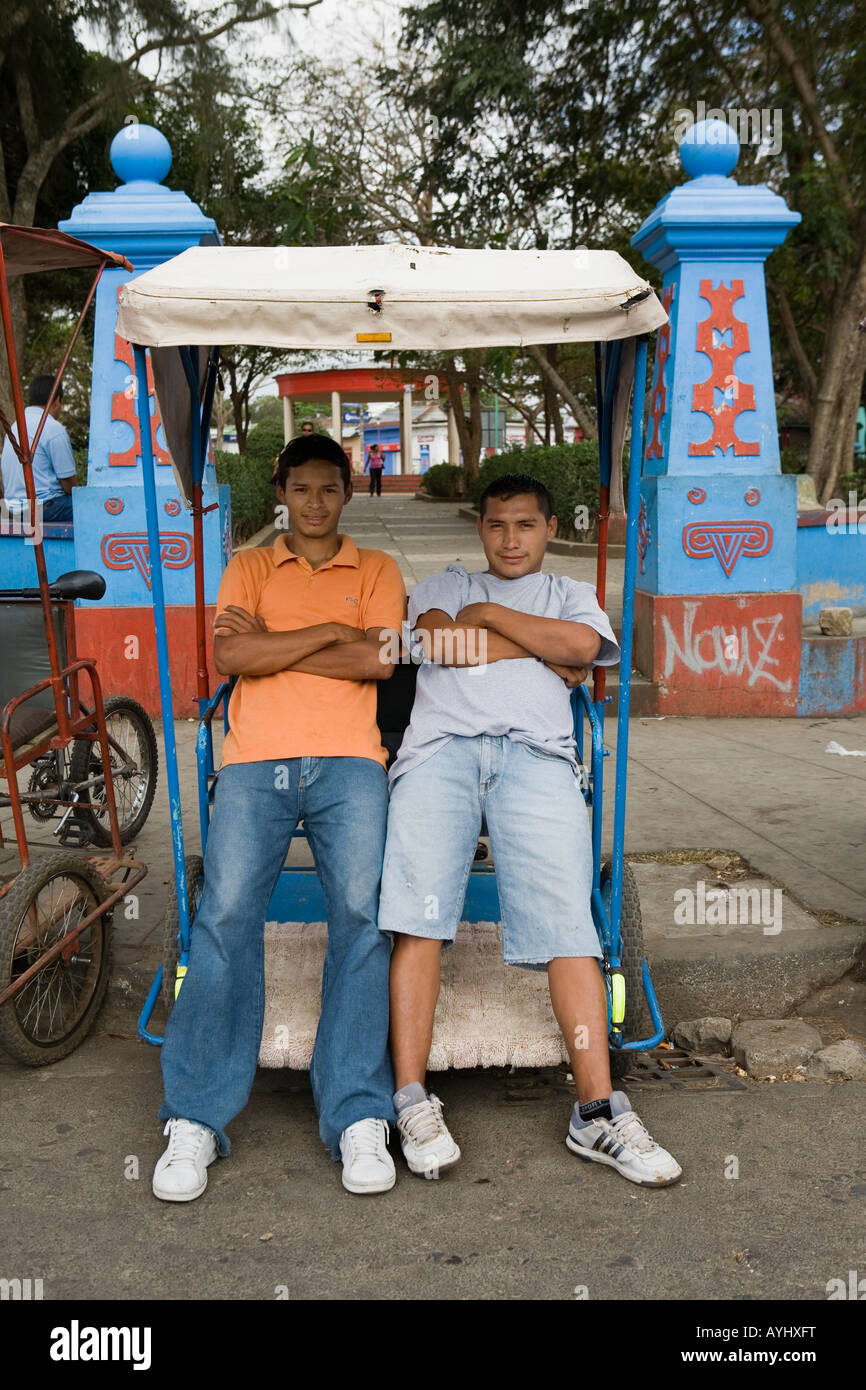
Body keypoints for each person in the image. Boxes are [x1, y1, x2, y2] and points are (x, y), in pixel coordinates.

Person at [378, 473, 682, 1189]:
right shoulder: (445, 583)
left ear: (549, 529)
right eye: (496, 525)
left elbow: (582, 643)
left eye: (524, 525)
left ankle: (598, 1110)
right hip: (441, 754)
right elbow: (440, 646)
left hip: (537, 755)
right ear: (479, 529)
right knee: (418, 919)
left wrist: (494, 617)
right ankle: (413, 1100)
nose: (509, 539)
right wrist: (548, 654)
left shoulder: (570, 594)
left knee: (569, 925)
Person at [152, 432, 406, 1202]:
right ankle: (195, 1118)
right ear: (283, 493)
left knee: (362, 916)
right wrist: (332, 632)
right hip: (255, 760)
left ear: (348, 493)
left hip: (352, 760)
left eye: (330, 488)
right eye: (302, 489)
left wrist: (278, 647)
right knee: (226, 914)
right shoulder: (251, 563)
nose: (316, 502)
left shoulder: (380, 569)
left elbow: (380, 662)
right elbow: (231, 659)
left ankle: (359, 1114)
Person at [0, 375, 78, 525]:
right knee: (96, 507)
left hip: (12, 509)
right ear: (56, 401)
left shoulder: (17, 426)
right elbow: (69, 484)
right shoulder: (53, 428)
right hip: (41, 509)